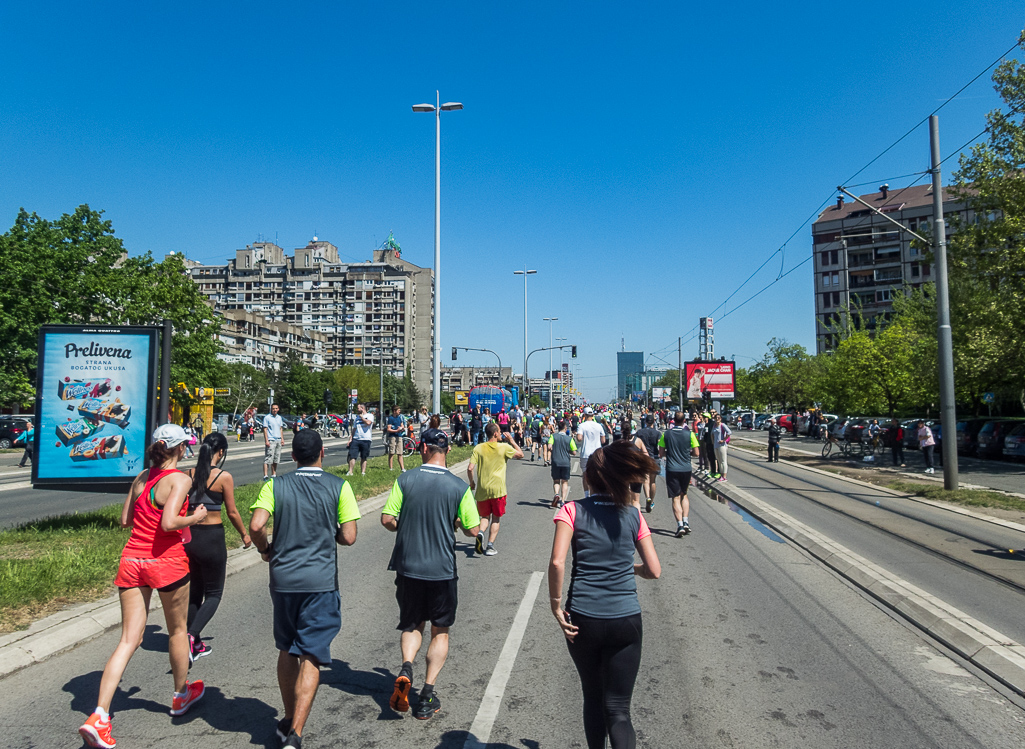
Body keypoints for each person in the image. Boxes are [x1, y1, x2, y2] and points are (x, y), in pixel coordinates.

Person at [78, 425, 209, 749]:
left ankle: (99, 715)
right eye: (186, 447)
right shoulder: (180, 479)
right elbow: (168, 523)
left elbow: (125, 520)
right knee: (178, 631)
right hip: (167, 562)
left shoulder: (141, 477)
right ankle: (181, 695)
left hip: (132, 560)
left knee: (128, 640)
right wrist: (195, 517)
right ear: (179, 449)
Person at [249, 429, 361, 748]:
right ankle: (296, 732)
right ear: (322, 453)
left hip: (283, 579)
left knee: (286, 647)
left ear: (293, 456)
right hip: (320, 581)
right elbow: (350, 536)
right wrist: (333, 534)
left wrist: (264, 548)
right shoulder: (339, 486)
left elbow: (256, 525)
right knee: (310, 651)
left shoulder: (275, 485)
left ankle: (286, 716)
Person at [547, 441, 661, 749]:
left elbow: (557, 562)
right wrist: (630, 568)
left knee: (593, 697)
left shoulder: (571, 510)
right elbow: (654, 570)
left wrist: (556, 606)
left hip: (583, 617)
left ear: (589, 478)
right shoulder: (634, 515)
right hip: (626, 618)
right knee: (619, 709)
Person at [381, 427, 480, 720]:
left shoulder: (405, 479)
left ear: (422, 448)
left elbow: (387, 519)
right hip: (441, 570)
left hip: (408, 566)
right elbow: (473, 529)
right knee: (440, 630)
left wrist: (405, 526)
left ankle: (407, 666)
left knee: (412, 623)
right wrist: (462, 525)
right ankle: (426, 695)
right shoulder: (458, 486)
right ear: (447, 451)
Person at [183, 432, 251, 661]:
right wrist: (244, 534)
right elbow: (231, 511)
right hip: (212, 538)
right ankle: (191, 637)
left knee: (195, 592)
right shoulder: (223, 477)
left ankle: (196, 643)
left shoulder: (188, 475)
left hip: (190, 538)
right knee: (214, 594)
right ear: (221, 452)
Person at [467, 422, 523, 556]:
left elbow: (470, 468)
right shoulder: (504, 447)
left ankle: (480, 533)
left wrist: (472, 483)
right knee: (496, 518)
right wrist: (511, 440)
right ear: (496, 433)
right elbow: (520, 454)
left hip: (482, 489)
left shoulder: (478, 448)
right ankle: (490, 546)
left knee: (485, 516)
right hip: (498, 489)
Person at [659, 411, 699, 537]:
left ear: (673, 421)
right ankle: (686, 522)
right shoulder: (690, 434)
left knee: (675, 497)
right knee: (684, 495)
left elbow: (660, 454)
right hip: (686, 468)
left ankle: (680, 525)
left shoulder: (666, 434)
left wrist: (670, 453)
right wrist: (687, 454)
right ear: (684, 421)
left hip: (672, 468)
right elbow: (696, 453)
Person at [632, 415, 661, 513]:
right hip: (654, 458)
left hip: (643, 457)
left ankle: (647, 497)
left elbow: (634, 442)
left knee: (646, 480)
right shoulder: (657, 433)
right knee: (653, 481)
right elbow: (659, 444)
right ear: (653, 422)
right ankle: (651, 501)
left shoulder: (640, 432)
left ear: (645, 422)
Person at [575, 407, 607, 498]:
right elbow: (603, 440)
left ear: (584, 415)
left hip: (585, 452)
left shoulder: (582, 425)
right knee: (597, 473)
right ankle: (596, 493)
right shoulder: (599, 426)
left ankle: (586, 495)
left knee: (585, 474)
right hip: (597, 453)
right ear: (592, 415)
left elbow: (579, 438)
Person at [549, 418, 578, 508]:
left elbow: (549, 447)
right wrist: (567, 450)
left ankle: (556, 494)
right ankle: (562, 500)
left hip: (555, 461)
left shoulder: (553, 436)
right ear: (565, 428)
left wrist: (555, 449)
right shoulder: (569, 439)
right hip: (565, 462)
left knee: (556, 480)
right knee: (565, 482)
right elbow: (574, 452)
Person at [347, 403, 375, 476]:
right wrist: (351, 439)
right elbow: (354, 428)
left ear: (362, 409)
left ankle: (363, 472)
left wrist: (362, 418)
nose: (357, 409)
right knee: (352, 455)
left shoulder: (370, 416)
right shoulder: (357, 417)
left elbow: (368, 423)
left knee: (364, 456)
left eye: (358, 408)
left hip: (366, 439)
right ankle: (350, 471)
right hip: (356, 439)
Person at [263, 404, 285, 481]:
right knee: (268, 458)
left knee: (276, 458)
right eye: (273, 409)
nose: (274, 410)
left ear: (278, 409)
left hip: (278, 439)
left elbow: (280, 428)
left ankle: (274, 474)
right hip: (271, 440)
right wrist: (267, 440)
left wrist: (282, 439)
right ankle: (265, 475)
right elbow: (265, 429)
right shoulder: (267, 418)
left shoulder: (279, 418)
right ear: (271, 409)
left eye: (276, 408)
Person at [711, 413, 731, 482]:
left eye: (719, 418)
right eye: (716, 418)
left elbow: (729, 432)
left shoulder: (723, 425)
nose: (717, 419)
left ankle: (724, 476)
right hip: (716, 445)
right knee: (719, 461)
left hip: (722, 446)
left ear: (721, 419)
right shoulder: (714, 426)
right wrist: (713, 441)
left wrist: (723, 440)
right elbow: (712, 434)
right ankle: (721, 475)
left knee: (723, 461)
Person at [386, 405, 406, 472]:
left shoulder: (399, 417)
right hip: (392, 436)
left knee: (400, 452)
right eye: (398, 410)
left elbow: (402, 425)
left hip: (399, 436)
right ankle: (391, 468)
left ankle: (402, 468)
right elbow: (388, 429)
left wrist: (402, 428)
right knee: (392, 452)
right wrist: (395, 431)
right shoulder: (390, 418)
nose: (399, 411)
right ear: (394, 411)